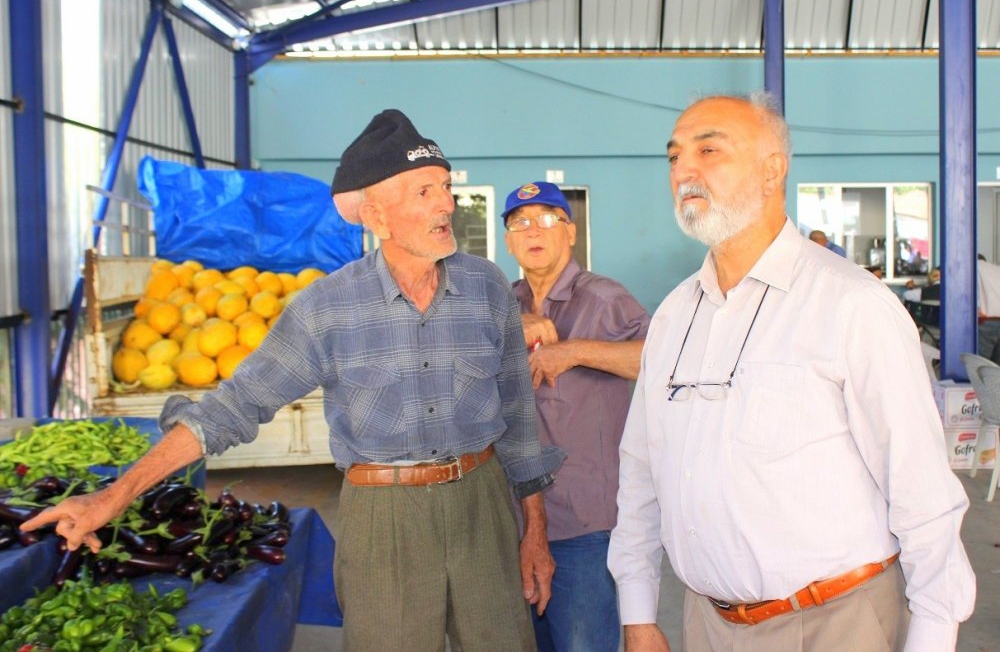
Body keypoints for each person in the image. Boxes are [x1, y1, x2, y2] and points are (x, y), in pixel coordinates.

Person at [24, 109, 564, 651]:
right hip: (385, 520)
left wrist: (533, 532)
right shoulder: (325, 308)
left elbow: (517, 417)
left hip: (485, 502)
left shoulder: (487, 286)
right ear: (375, 214)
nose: (446, 203)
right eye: (424, 191)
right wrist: (112, 497)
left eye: (444, 186)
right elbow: (232, 406)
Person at [608, 93, 975, 652]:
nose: (685, 170)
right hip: (706, 623)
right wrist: (637, 610)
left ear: (772, 169)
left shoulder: (852, 304)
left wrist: (932, 637)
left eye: (709, 149)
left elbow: (921, 490)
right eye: (675, 156)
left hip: (833, 623)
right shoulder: (675, 316)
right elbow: (641, 471)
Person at [501, 182, 650, 652]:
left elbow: (660, 361)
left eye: (547, 219)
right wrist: (510, 325)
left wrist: (576, 351)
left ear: (570, 232)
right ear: (508, 240)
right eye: (520, 223)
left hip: (587, 522)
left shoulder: (604, 298)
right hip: (515, 519)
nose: (533, 231)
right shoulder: (501, 304)